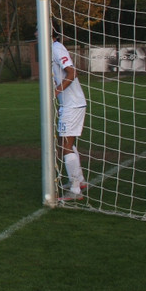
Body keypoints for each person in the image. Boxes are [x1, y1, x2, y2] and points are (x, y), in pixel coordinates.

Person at [51, 30, 88, 200]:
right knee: (65, 142)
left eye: (38, 30)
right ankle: (79, 181)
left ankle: (75, 191)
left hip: (72, 104)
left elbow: (72, 72)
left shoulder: (56, 48)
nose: (35, 33)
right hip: (71, 104)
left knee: (65, 145)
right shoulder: (53, 48)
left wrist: (56, 91)